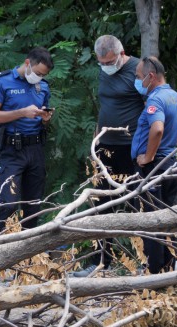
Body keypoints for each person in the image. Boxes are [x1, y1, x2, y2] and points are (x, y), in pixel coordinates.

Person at [72, 35, 144, 277]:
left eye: (110, 61)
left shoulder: (139, 69)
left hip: (131, 147)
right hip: (104, 147)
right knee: (101, 206)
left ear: (122, 53)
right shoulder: (105, 71)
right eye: (102, 62)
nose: (106, 66)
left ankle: (146, 262)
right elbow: (105, 107)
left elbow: (152, 108)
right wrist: (95, 143)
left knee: (139, 204)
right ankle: (101, 262)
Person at [131, 56, 177, 274]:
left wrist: (149, 156)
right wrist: (174, 143)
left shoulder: (156, 100)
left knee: (152, 220)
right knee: (163, 218)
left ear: (150, 77)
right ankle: (166, 266)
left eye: (138, 77)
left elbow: (158, 129)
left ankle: (154, 273)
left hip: (153, 169)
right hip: (169, 165)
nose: (136, 81)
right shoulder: (176, 97)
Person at [0, 46, 54, 232]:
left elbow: (42, 121)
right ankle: (0, 253)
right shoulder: (3, 81)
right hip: (12, 150)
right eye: (38, 73)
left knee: (33, 206)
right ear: (27, 63)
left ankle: (27, 256)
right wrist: (22, 113)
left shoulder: (43, 86)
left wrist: (45, 119)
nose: (39, 77)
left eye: (43, 74)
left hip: (35, 148)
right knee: (8, 204)